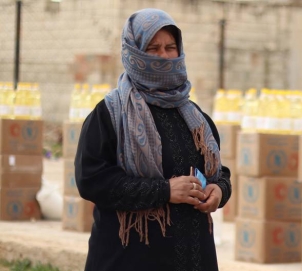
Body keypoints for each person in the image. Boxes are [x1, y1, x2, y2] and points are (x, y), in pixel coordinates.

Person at [75, 9, 231, 271]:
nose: (164, 56)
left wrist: (220, 191)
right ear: (134, 53)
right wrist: (165, 191)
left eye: (170, 47)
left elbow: (218, 173)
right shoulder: (111, 114)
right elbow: (91, 180)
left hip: (194, 258)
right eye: (153, 48)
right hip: (130, 258)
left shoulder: (195, 116)